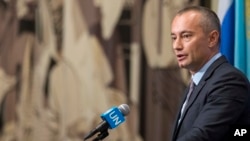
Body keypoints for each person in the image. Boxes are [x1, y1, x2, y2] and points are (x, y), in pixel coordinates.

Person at [170, 6, 250, 141]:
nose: (176, 46)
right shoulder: (195, 83)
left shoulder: (229, 81)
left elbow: (203, 135)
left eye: (186, 36)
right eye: (174, 37)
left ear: (212, 38)